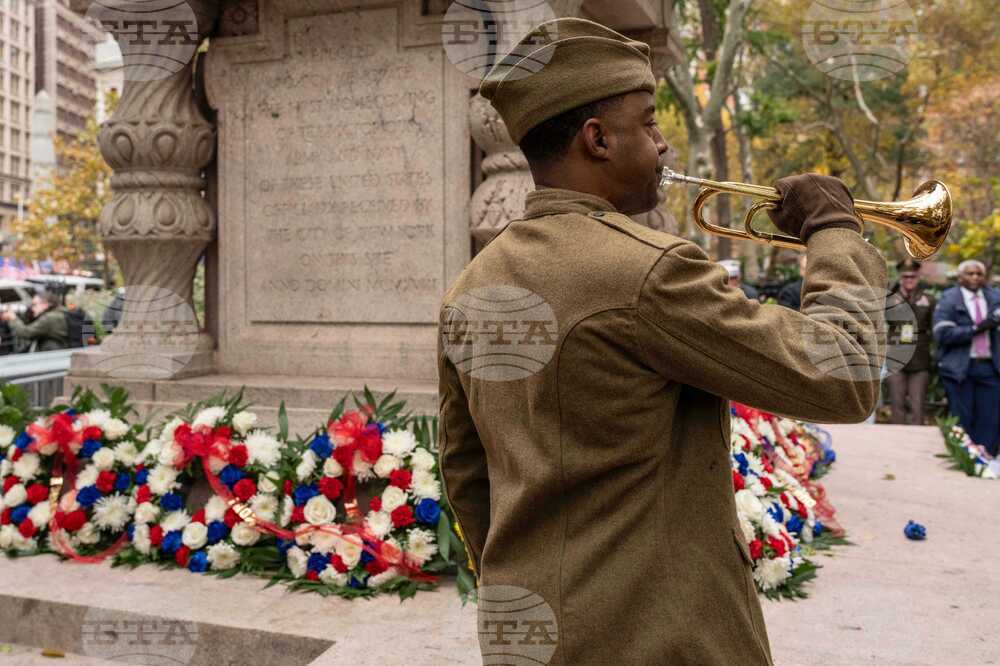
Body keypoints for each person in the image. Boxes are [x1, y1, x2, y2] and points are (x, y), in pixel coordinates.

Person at [437, 18, 886, 665]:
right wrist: (834, 229)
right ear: (597, 139)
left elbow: (466, 475)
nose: (664, 144)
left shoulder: (469, 288)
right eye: (648, 124)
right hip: (661, 642)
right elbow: (844, 376)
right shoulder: (650, 271)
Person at [933, 260, 1000, 456]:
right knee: (962, 418)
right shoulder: (949, 299)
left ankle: (986, 460)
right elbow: (942, 335)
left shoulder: (995, 297)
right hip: (960, 368)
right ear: (960, 277)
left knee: (991, 418)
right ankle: (965, 459)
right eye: (970, 274)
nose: (975, 277)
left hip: (991, 367)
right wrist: (976, 329)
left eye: (979, 274)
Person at [885, 259, 936, 424]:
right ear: (900, 277)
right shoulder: (890, 298)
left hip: (920, 359)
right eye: (905, 277)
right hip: (896, 357)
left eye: (912, 277)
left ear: (918, 277)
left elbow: (934, 328)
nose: (909, 280)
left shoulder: (928, 299)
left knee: (917, 405)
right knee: (896, 405)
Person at [1, 289, 71, 351]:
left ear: (45, 304)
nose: (32, 308)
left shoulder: (49, 318)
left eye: (34, 304)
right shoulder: (59, 312)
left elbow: (26, 333)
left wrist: (13, 318)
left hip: (53, 354)